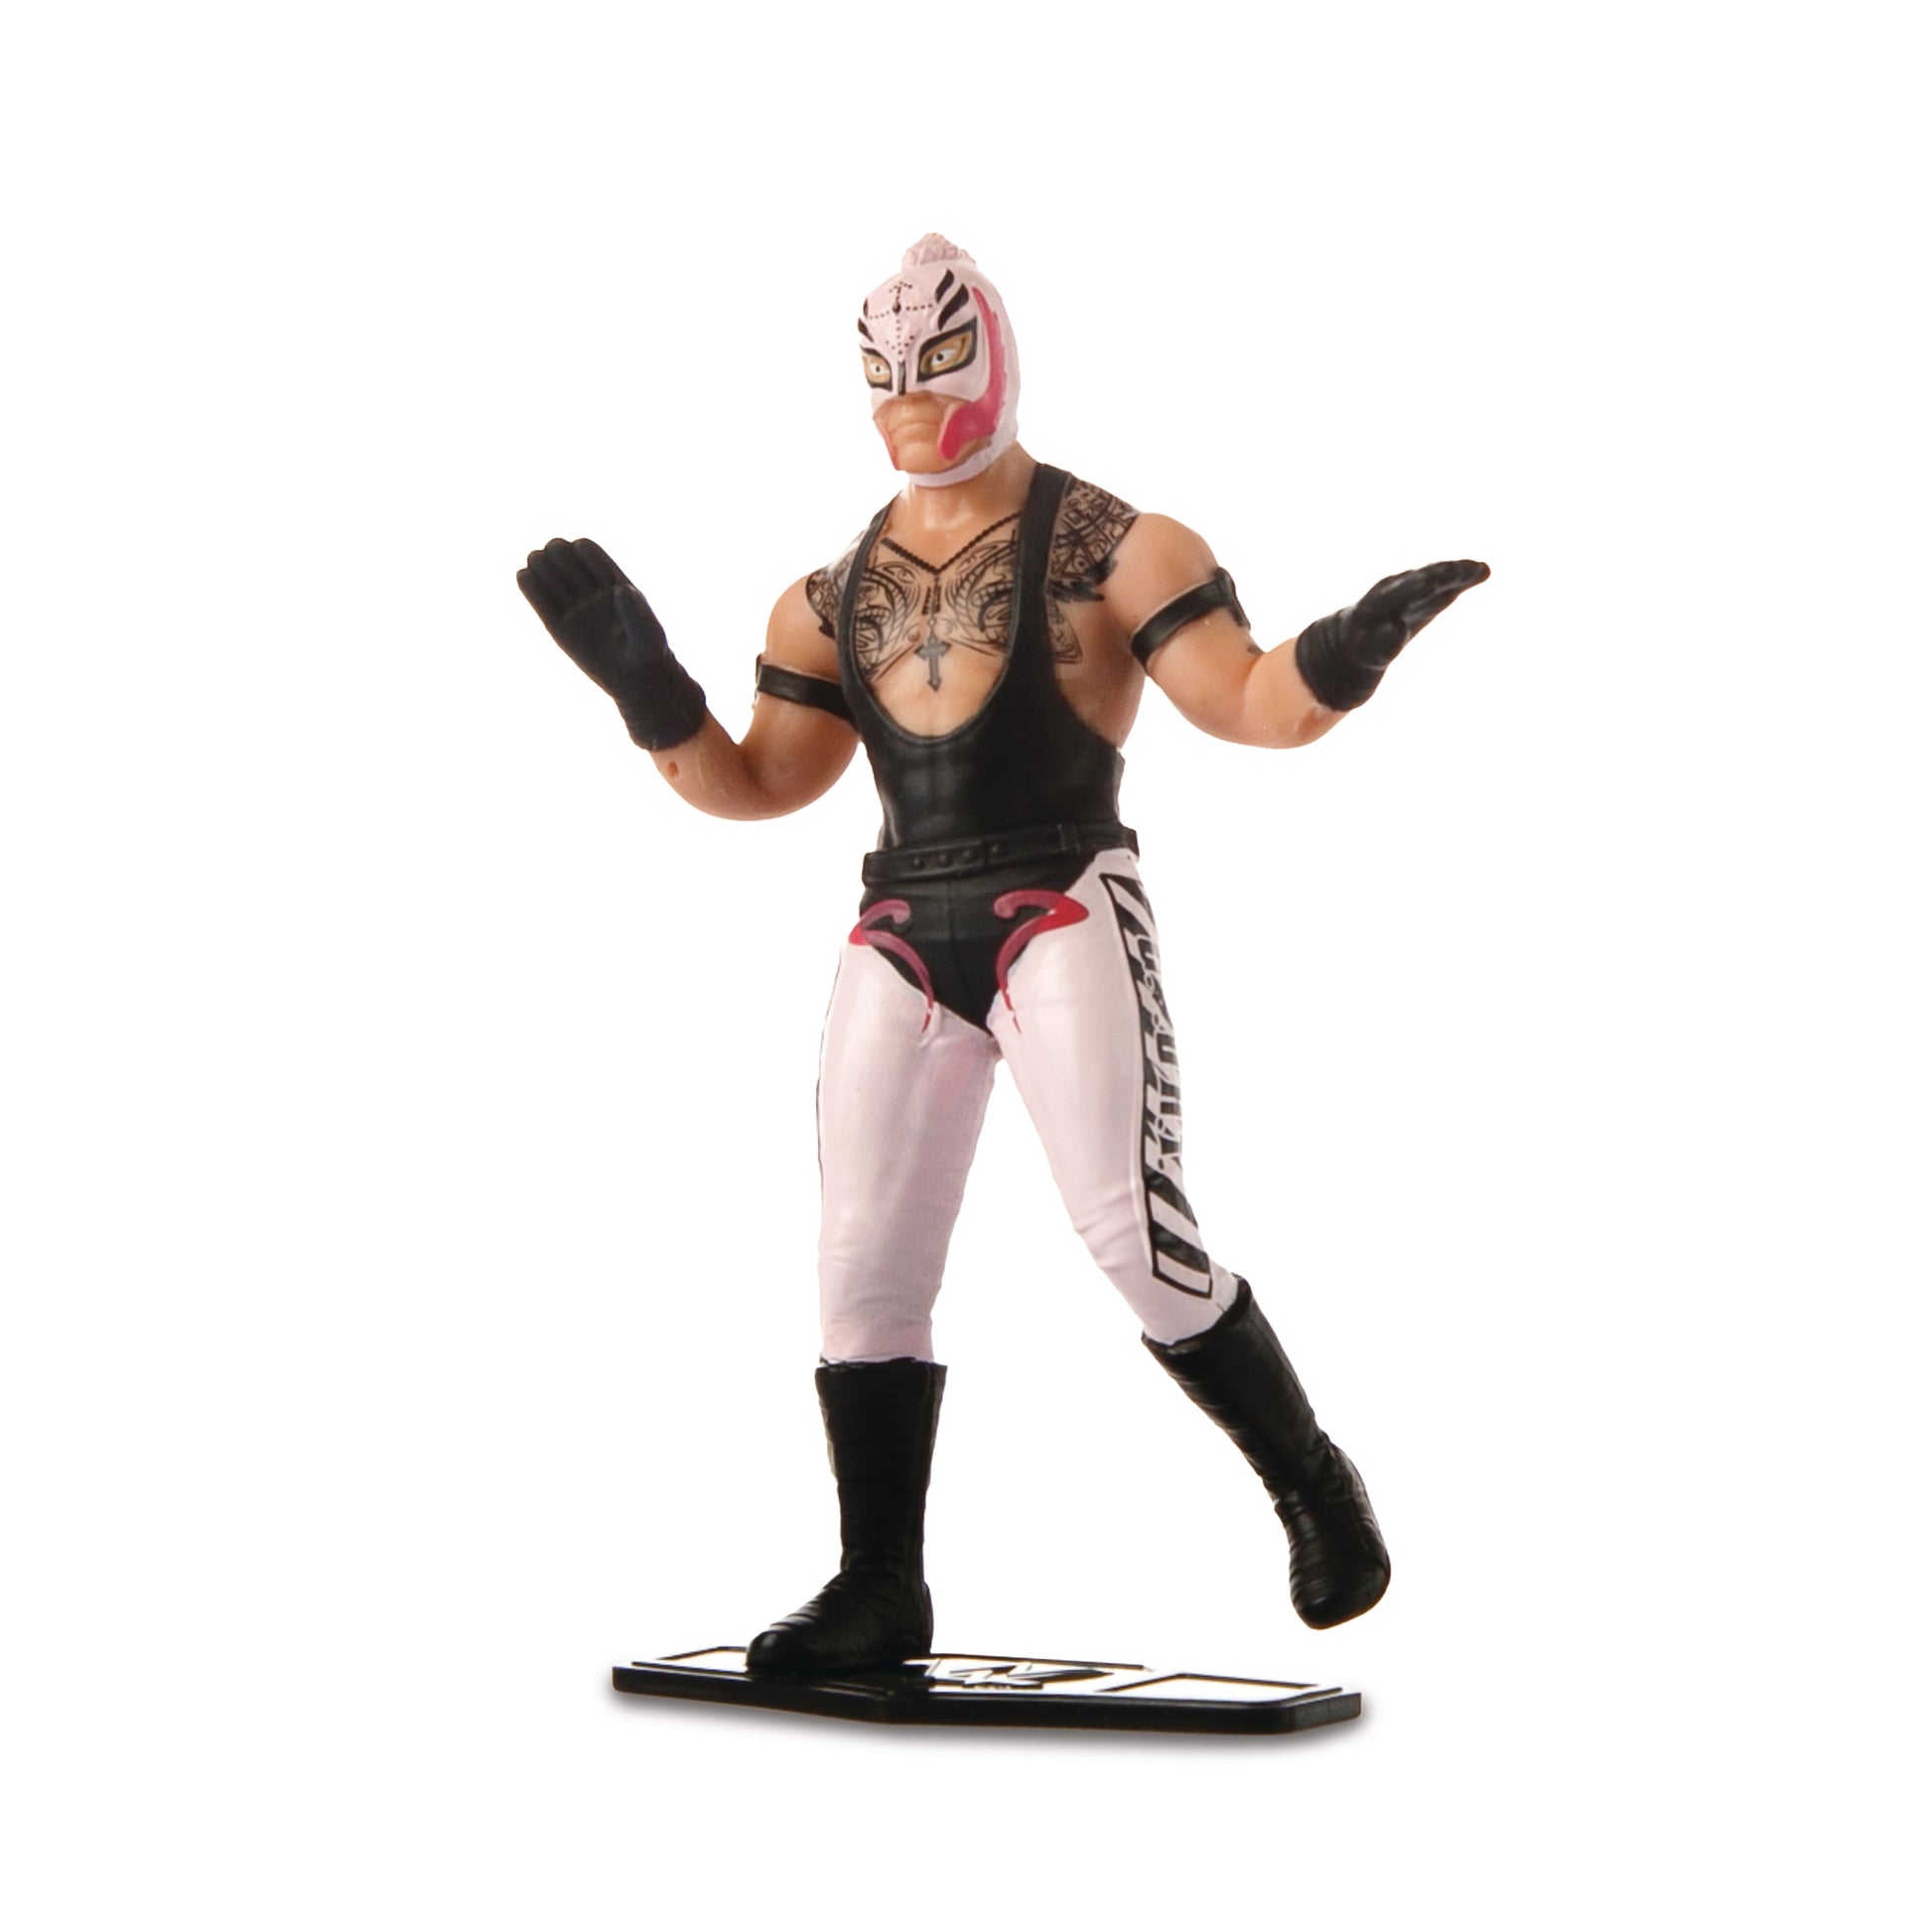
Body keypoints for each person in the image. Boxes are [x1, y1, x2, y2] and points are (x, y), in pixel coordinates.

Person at [518, 234, 1487, 1675]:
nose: (912, 399)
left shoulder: (1116, 545)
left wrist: (1346, 648)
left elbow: (1246, 702)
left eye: (938, 362)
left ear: (998, 359)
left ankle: (1310, 1480)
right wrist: (649, 693)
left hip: (1062, 895)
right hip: (900, 924)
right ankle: (877, 1581)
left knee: (1135, 1236)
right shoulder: (827, 592)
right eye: (885, 370)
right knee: (860, 1267)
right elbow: (759, 783)